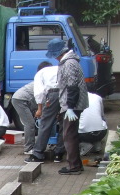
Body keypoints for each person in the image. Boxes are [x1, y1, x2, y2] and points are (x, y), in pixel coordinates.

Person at [49, 38, 89, 175]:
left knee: (69, 135)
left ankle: (74, 166)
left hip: (73, 105)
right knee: (70, 134)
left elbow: (72, 86)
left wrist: (70, 106)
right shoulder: (70, 62)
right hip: (73, 104)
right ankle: (75, 164)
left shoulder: (69, 63)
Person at [25, 62, 66, 163]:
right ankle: (59, 154)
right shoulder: (59, 67)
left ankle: (38, 154)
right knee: (64, 123)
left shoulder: (40, 73)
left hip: (53, 94)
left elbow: (39, 92)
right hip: (67, 93)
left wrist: (40, 109)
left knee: (45, 123)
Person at [11, 81, 38, 155]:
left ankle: (32, 146)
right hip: (20, 100)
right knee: (30, 124)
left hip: (24, 99)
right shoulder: (46, 83)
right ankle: (28, 148)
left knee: (30, 123)